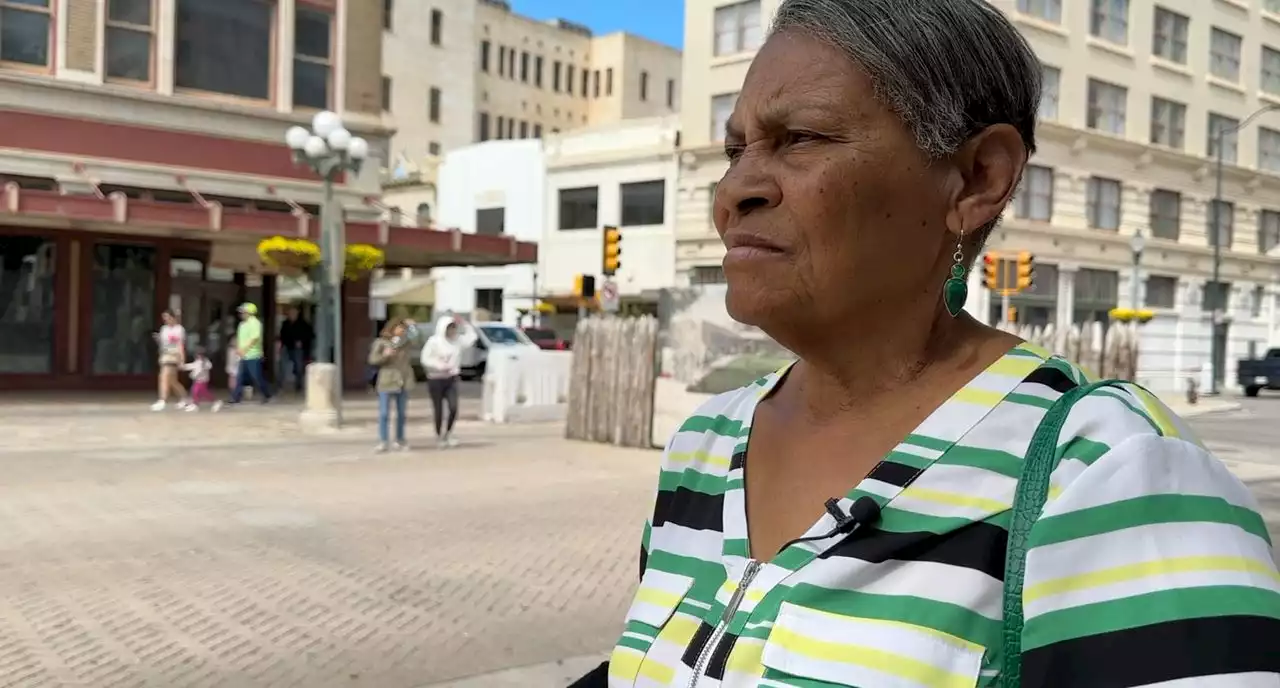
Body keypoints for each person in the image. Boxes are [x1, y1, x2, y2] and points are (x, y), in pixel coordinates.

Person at [581, 2, 1280, 686]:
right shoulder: (702, 446)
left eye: (800, 137)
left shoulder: (1104, 472)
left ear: (978, 178)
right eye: (736, 149)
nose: (734, 190)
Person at [420, 316, 474, 448]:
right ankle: (439, 436)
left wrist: (465, 324)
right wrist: (438, 365)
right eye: (449, 328)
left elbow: (472, 338)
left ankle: (448, 433)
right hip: (435, 379)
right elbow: (425, 358)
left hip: (451, 378)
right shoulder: (434, 342)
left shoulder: (458, 341)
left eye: (454, 327)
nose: (452, 331)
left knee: (453, 407)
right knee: (438, 409)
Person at [368, 318, 417, 452]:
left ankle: (400, 439)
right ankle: (383, 441)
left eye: (404, 329)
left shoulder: (406, 343)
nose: (402, 331)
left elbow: (418, 338)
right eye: (399, 328)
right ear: (392, 328)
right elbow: (372, 359)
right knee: (384, 413)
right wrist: (385, 355)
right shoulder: (381, 342)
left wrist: (412, 326)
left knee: (401, 413)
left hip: (403, 380)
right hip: (387, 381)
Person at [226, 302, 272, 406]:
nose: (241, 314)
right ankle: (235, 397)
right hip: (243, 355)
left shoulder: (255, 323)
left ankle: (267, 394)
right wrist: (238, 349)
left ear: (250, 312)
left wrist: (244, 349)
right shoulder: (242, 324)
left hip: (253, 355)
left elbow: (254, 338)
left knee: (256, 376)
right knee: (239, 377)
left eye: (243, 312)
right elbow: (240, 338)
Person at [151, 310, 189, 411]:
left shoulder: (179, 329)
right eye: (164, 318)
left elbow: (180, 345)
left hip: (174, 355)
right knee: (172, 380)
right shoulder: (164, 329)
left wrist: (182, 359)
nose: (166, 320)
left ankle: (162, 400)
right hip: (165, 354)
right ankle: (184, 398)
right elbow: (163, 343)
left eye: (168, 317)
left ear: (173, 317)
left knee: (164, 376)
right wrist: (158, 339)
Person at [278, 305, 314, 393]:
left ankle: (298, 385)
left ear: (297, 313)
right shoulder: (285, 323)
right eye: (290, 313)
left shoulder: (303, 324)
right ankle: (280, 385)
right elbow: (282, 335)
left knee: (298, 366)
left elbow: (310, 335)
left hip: (298, 349)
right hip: (287, 347)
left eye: (293, 313)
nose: (292, 314)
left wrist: (302, 341)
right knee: (283, 366)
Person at [181, 347, 215, 411]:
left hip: (202, 380)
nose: (198, 356)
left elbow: (204, 368)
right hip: (197, 380)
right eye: (197, 354)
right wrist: (185, 367)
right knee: (198, 391)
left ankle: (197, 404)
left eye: (200, 354)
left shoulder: (205, 362)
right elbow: (193, 366)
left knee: (198, 392)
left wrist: (193, 375)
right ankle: (195, 404)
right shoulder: (198, 361)